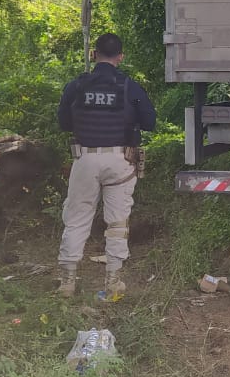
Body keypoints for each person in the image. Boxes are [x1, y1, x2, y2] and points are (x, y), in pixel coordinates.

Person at [56, 33, 157, 299]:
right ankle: (113, 281)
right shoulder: (129, 87)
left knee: (77, 219)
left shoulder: (77, 86)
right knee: (117, 223)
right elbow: (149, 121)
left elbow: (64, 123)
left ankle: (67, 281)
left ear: (94, 54)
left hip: (85, 158)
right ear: (120, 57)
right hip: (120, 160)